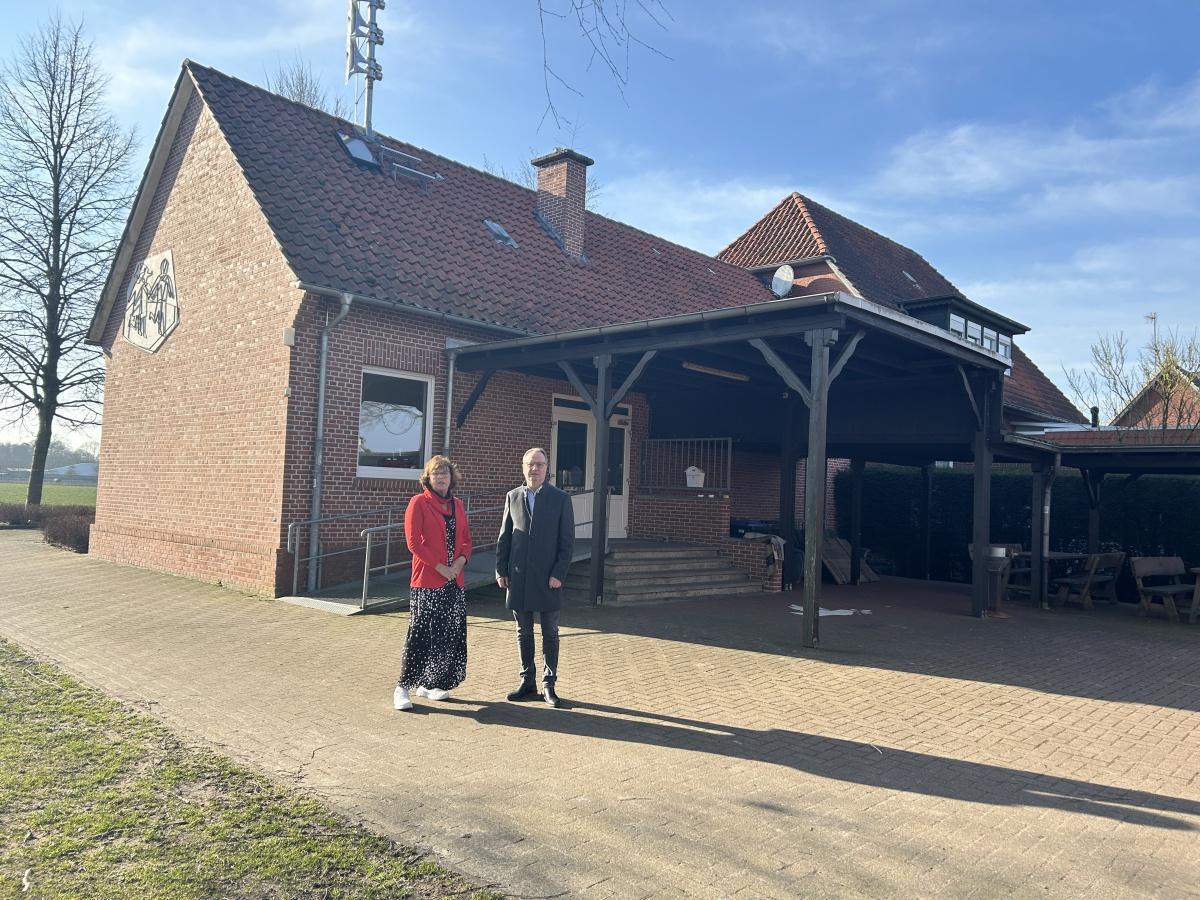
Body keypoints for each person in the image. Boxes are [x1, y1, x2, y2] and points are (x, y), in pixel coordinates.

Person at [495, 447, 575, 708]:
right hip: (519, 577)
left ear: (547, 468)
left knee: (550, 633)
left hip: (548, 578)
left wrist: (558, 574)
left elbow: (567, 542)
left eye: (539, 464)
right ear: (523, 467)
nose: (535, 469)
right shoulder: (513, 496)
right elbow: (505, 537)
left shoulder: (560, 499)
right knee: (523, 632)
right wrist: (501, 569)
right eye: (530, 464)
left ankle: (548, 685)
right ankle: (527, 681)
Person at [394, 456, 472, 711]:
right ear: (428, 477)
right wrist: (441, 568)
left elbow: (466, 540)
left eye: (445, 473)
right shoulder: (418, 503)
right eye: (436, 473)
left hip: (454, 580)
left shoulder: (458, 505)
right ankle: (403, 686)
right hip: (428, 580)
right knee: (420, 633)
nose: (441, 478)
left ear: (452, 477)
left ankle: (431, 682)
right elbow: (414, 542)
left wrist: (458, 563)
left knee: (447, 634)